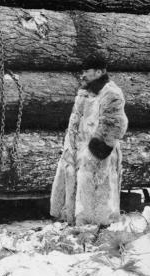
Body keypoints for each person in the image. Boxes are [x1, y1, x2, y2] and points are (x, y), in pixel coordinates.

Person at [50, 54, 129, 226]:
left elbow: (116, 122)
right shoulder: (84, 93)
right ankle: (76, 220)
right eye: (82, 71)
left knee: (98, 193)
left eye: (87, 71)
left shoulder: (111, 93)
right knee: (76, 187)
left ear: (99, 72)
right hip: (77, 150)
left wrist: (98, 148)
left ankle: (98, 225)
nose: (83, 75)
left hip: (97, 153)